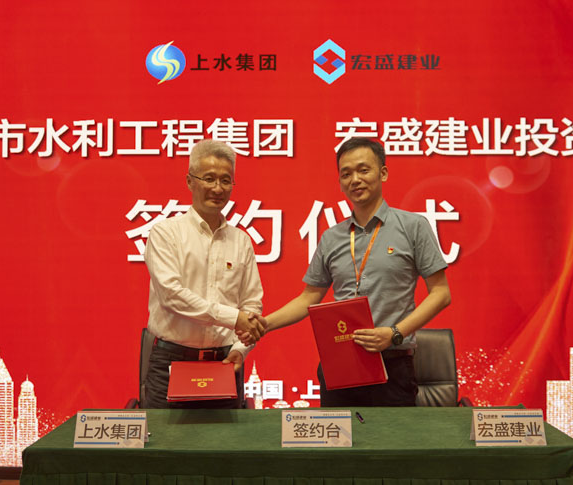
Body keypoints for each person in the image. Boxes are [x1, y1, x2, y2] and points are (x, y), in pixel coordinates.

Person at [254, 137, 450, 407]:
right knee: (336, 434)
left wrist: (394, 333)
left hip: (392, 365)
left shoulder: (413, 226)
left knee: (388, 436)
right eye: (346, 174)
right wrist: (265, 325)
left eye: (363, 170)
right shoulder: (332, 237)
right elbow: (309, 297)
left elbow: (441, 293)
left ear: (383, 173)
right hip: (340, 362)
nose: (355, 179)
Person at [143, 139, 266, 409]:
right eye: (209, 179)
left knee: (224, 437)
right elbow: (172, 296)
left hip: (225, 362)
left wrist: (240, 349)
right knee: (163, 437)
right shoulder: (165, 233)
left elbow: (251, 304)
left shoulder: (241, 241)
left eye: (226, 181)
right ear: (190, 181)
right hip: (171, 363)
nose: (218, 188)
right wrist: (234, 318)